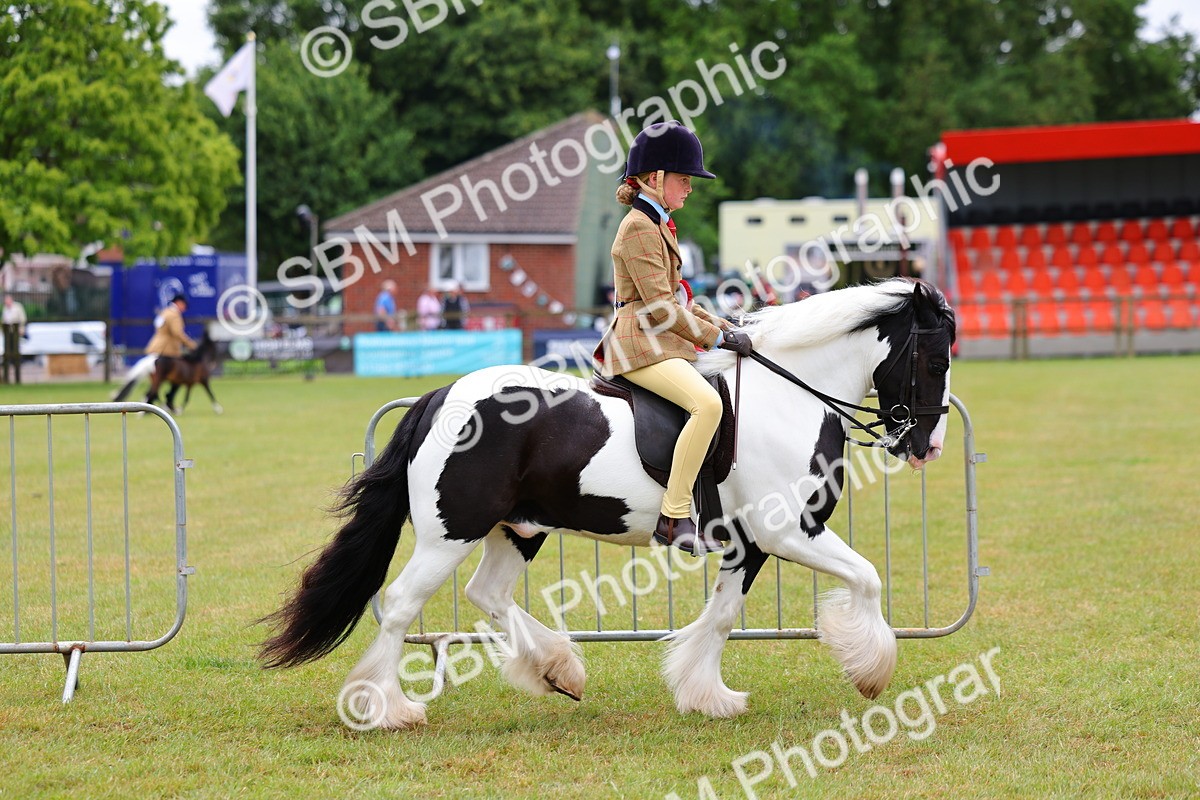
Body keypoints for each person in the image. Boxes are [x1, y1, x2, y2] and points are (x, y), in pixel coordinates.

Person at [593, 121, 753, 554]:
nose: (690, 188)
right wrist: (715, 340)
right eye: (685, 179)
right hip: (639, 345)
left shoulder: (658, 223)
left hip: (659, 339)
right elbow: (661, 308)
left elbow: (678, 299)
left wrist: (725, 326)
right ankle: (674, 514)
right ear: (655, 178)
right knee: (707, 404)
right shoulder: (639, 227)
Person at [114, 294, 196, 402]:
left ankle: (154, 400)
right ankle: (165, 400)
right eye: (184, 306)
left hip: (155, 347)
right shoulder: (174, 315)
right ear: (179, 303)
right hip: (166, 350)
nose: (184, 309)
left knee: (157, 379)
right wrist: (191, 345)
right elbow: (177, 333)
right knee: (182, 375)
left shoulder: (165, 312)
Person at [2, 294, 27, 384]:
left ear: (11, 300)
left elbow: (22, 319)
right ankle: (6, 379)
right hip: (8, 333)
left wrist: (21, 329)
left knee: (16, 353)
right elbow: (4, 320)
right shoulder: (5, 309)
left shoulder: (18, 307)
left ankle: (17, 378)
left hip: (16, 332)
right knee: (7, 354)